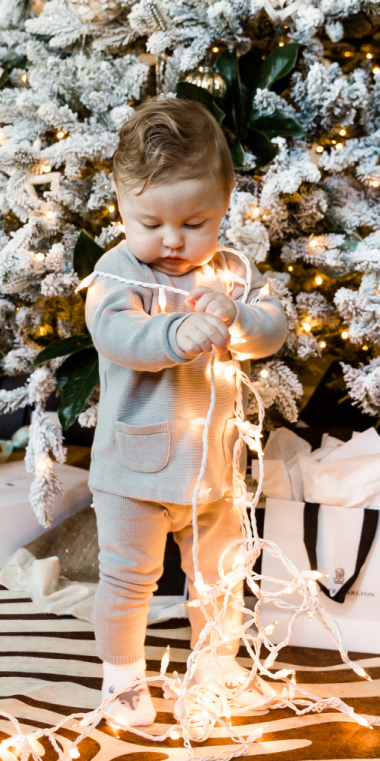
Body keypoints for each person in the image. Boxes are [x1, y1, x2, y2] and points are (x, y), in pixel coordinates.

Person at [84, 97, 289, 728]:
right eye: (151, 223)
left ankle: (214, 664)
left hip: (215, 471)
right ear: (121, 207)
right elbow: (117, 337)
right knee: (129, 578)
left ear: (225, 206)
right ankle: (121, 682)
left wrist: (239, 320)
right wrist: (174, 335)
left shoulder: (232, 271)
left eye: (196, 223)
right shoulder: (116, 276)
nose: (173, 242)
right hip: (135, 471)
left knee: (220, 577)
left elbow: (272, 331)